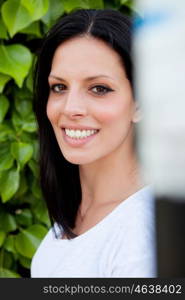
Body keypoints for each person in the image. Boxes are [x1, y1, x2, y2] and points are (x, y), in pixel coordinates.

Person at [31, 8, 156, 278]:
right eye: (59, 87)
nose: (71, 108)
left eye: (99, 88)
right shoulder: (77, 212)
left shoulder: (142, 236)